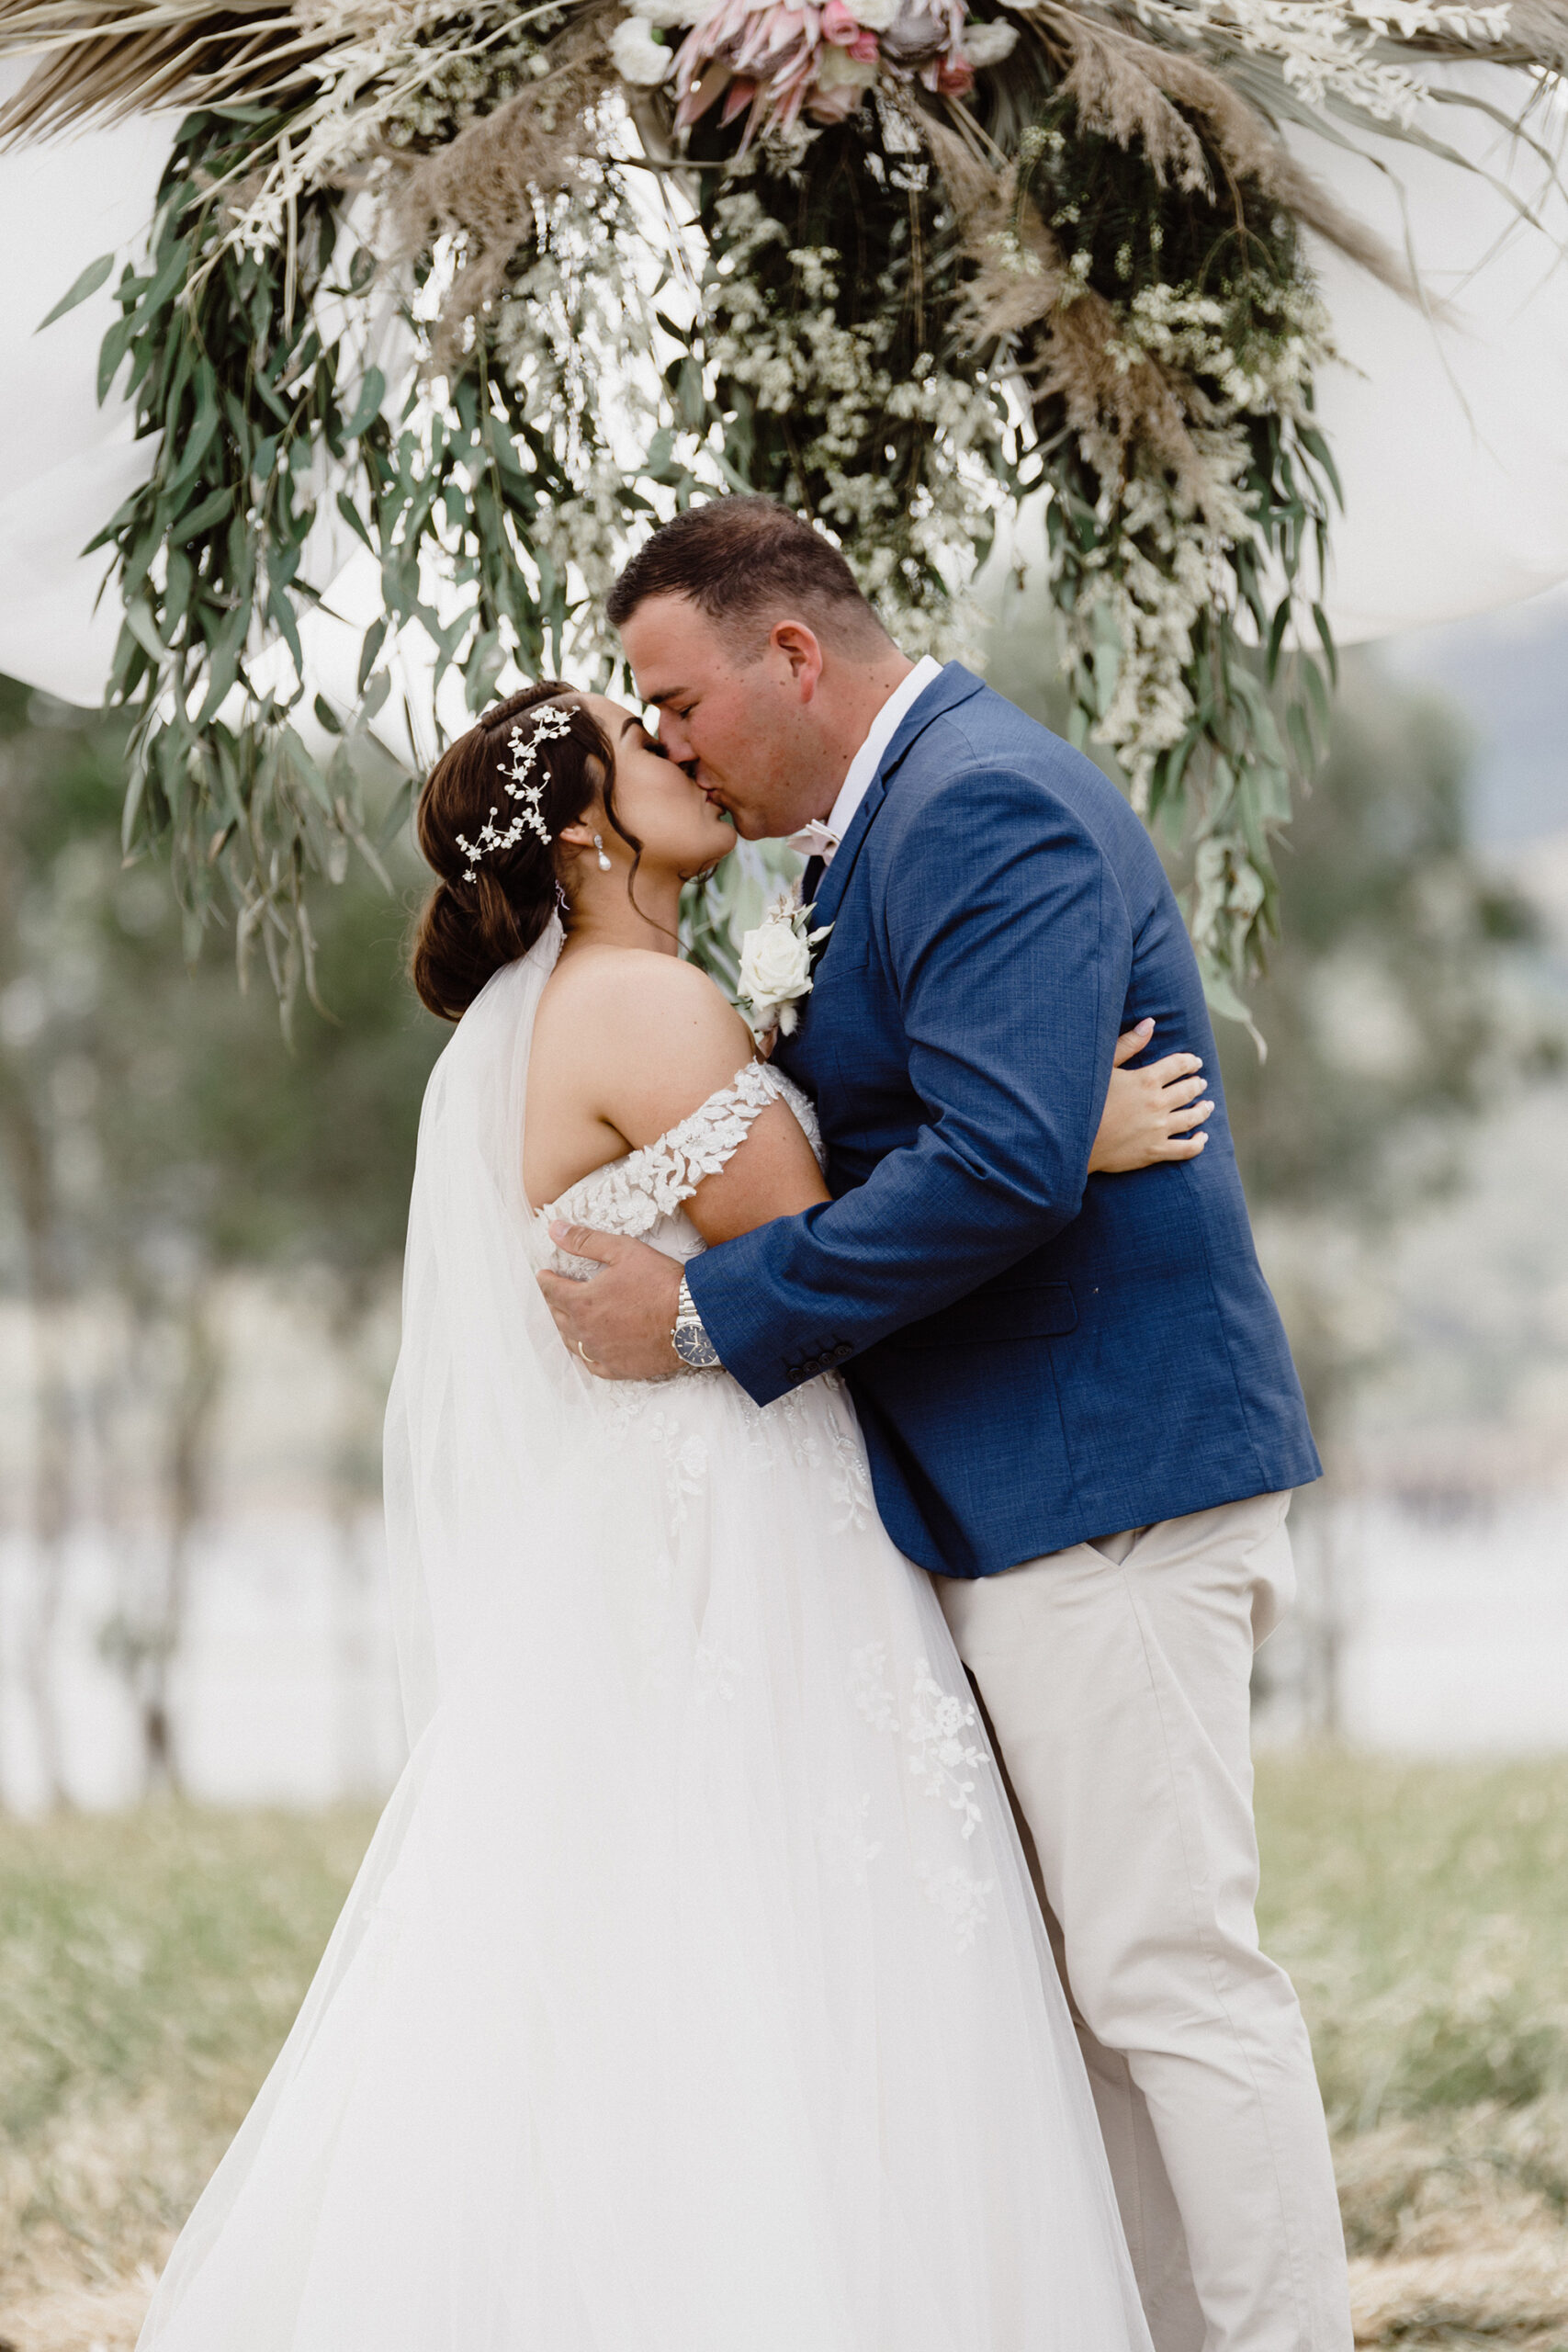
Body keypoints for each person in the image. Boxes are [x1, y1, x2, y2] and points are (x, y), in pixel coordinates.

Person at [134, 678, 1202, 2351]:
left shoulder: (607, 1001)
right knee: (802, 1929)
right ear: (581, 827)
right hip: (742, 1517)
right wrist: (1066, 1137)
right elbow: (837, 1251)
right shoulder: (642, 1005)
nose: (686, 756)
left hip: (689, 1501)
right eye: (649, 747)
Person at [540, 496, 1353, 2352]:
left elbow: (989, 1166)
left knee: (1167, 1977)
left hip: (1105, 1483)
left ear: (791, 654)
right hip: (1017, 1488)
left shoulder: (976, 803)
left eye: (674, 698)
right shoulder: (864, 841)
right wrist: (1043, 1140)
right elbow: (990, 1134)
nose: (661, 737)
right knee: (1094, 2002)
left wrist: (698, 1314)